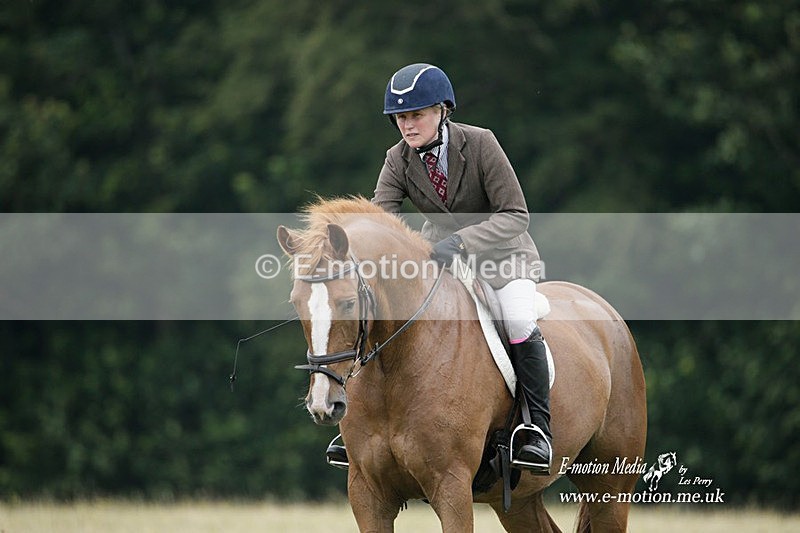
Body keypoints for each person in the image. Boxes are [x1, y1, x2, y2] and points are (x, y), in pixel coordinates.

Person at [326, 63, 552, 474]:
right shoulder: (397, 159)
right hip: (437, 259)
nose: (407, 126)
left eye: (415, 115)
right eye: (400, 118)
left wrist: (463, 242)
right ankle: (357, 429)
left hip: (502, 255)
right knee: (382, 319)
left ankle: (537, 429)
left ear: (443, 110)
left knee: (518, 319)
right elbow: (381, 220)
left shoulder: (481, 143)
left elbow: (516, 214)